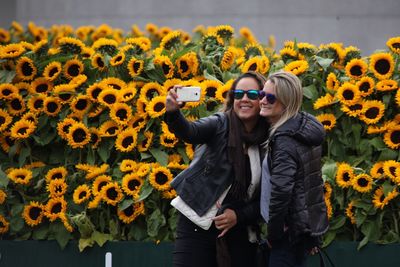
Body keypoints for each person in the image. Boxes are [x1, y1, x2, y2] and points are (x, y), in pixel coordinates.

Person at [164, 71, 269, 267]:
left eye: (252, 94)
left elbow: (266, 198)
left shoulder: (268, 141)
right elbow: (190, 132)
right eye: (239, 94)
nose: (244, 99)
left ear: (262, 99)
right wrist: (173, 113)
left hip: (240, 230)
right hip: (197, 222)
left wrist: (238, 216)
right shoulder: (220, 123)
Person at [259, 71, 329, 267]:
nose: (263, 100)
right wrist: (311, 233)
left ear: (286, 102)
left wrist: (273, 234)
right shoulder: (302, 129)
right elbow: (310, 185)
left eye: (270, 97)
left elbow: (282, 191)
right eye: (261, 94)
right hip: (299, 232)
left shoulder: (284, 139)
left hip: (286, 235)